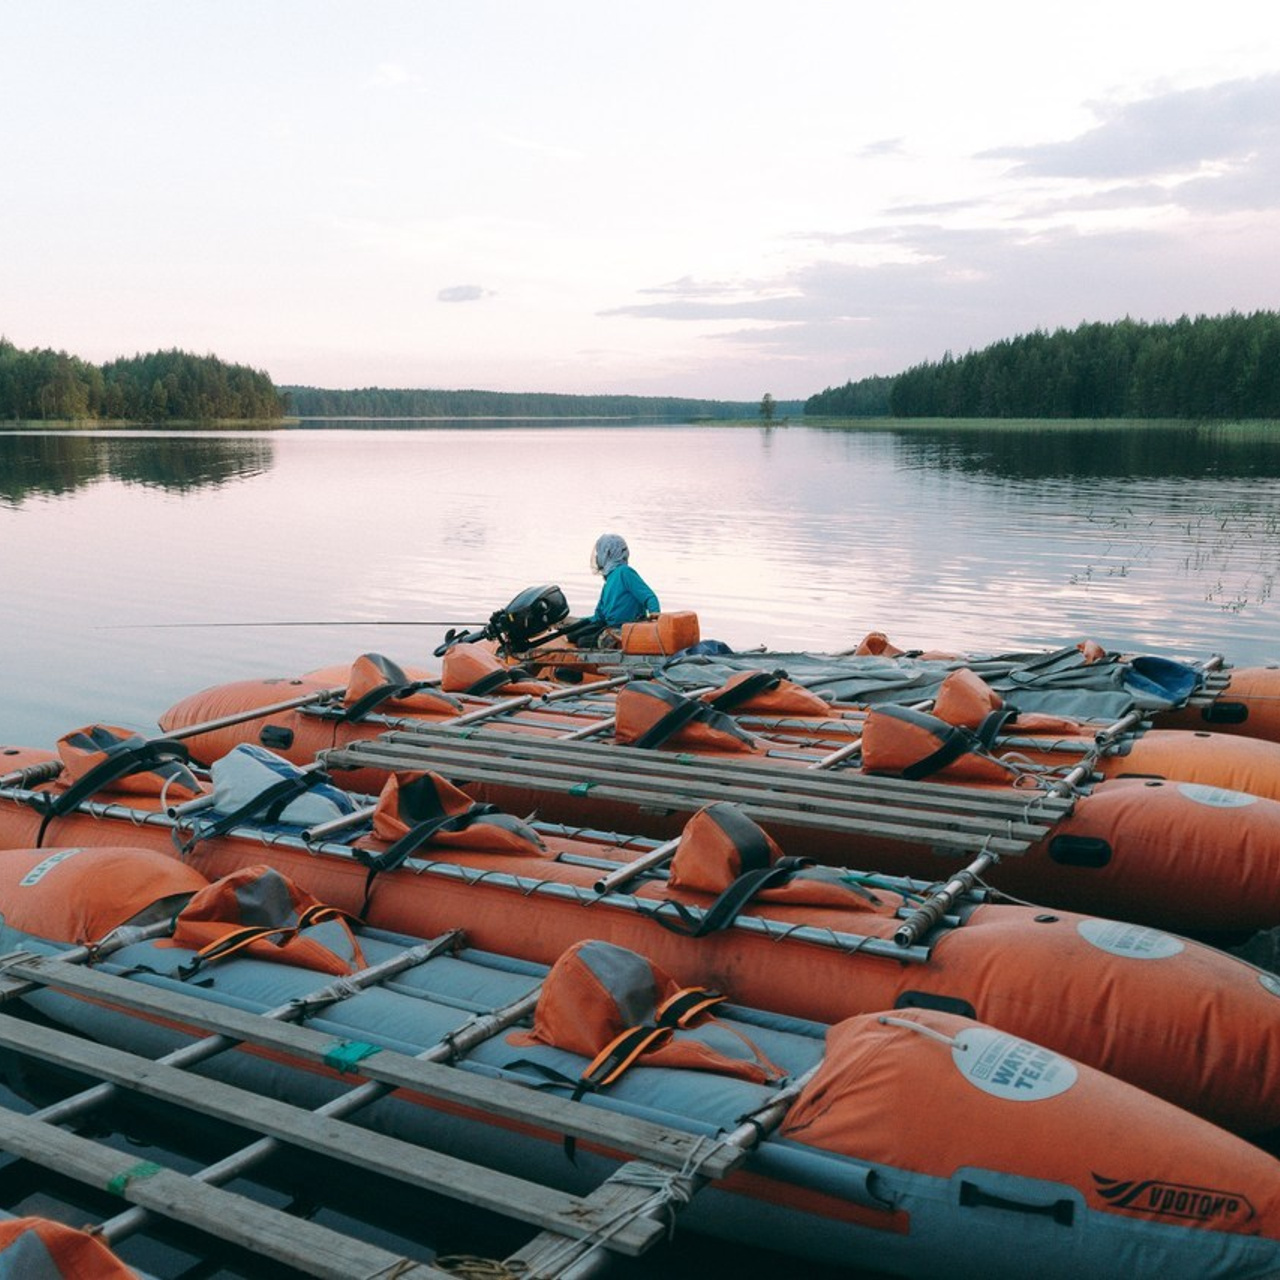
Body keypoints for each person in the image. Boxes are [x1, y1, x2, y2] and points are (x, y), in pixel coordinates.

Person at [580, 534, 659, 635]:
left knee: (583, 641)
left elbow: (650, 598)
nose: (597, 557)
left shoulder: (625, 572)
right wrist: (572, 622)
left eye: (600, 552)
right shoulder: (608, 580)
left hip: (628, 630)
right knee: (574, 636)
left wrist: (655, 618)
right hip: (610, 627)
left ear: (608, 553)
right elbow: (598, 617)